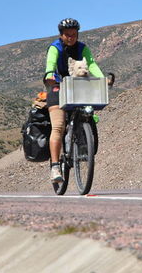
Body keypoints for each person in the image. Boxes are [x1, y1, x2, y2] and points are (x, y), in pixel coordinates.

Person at [44, 17, 104, 182]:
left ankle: (83, 142)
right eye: (67, 34)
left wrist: (102, 79)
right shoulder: (55, 47)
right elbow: (50, 64)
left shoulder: (82, 48)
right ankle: (55, 167)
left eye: (74, 34)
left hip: (77, 87)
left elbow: (91, 65)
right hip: (57, 87)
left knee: (88, 113)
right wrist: (49, 75)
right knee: (58, 126)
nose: (71, 37)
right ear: (61, 35)